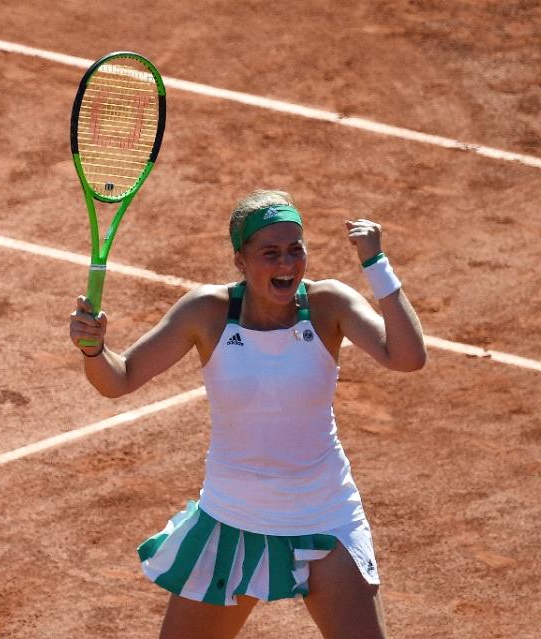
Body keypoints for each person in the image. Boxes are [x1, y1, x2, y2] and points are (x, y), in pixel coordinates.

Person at [69, 189, 426, 639]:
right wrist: (94, 349)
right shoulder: (207, 312)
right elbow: (118, 379)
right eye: (270, 253)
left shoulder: (328, 304)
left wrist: (377, 266)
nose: (287, 265)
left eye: (296, 249)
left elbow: (408, 357)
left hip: (325, 516)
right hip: (231, 520)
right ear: (240, 260)